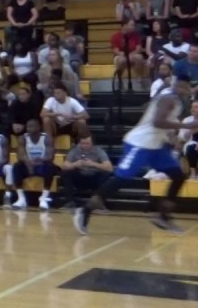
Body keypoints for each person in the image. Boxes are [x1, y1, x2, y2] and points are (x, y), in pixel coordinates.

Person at [75, 81, 191, 234]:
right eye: (184, 86)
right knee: (122, 178)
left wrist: (175, 140)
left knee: (178, 175)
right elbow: (158, 122)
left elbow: (166, 126)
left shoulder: (176, 103)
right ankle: (86, 209)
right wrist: (187, 126)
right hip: (140, 143)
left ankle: (164, 216)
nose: (188, 90)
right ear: (179, 86)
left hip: (156, 146)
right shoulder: (169, 98)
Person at [59, 134, 112, 211]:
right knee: (66, 173)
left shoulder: (99, 151)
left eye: (87, 143)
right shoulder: (75, 150)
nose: (84, 145)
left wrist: (93, 164)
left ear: (92, 143)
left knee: (105, 174)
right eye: (82, 143)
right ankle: (70, 202)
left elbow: (109, 168)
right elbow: (64, 166)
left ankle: (99, 204)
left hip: (94, 178)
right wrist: (75, 164)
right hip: (80, 178)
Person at [11, 119, 55, 210]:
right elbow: (20, 155)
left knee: (50, 166)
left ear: (39, 127)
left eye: (32, 126)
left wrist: (40, 159)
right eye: (28, 126)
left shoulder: (46, 138)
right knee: (17, 166)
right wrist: (28, 162)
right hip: (29, 165)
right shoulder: (23, 138)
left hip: (41, 165)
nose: (29, 128)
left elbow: (50, 157)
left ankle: (44, 198)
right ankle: (21, 198)